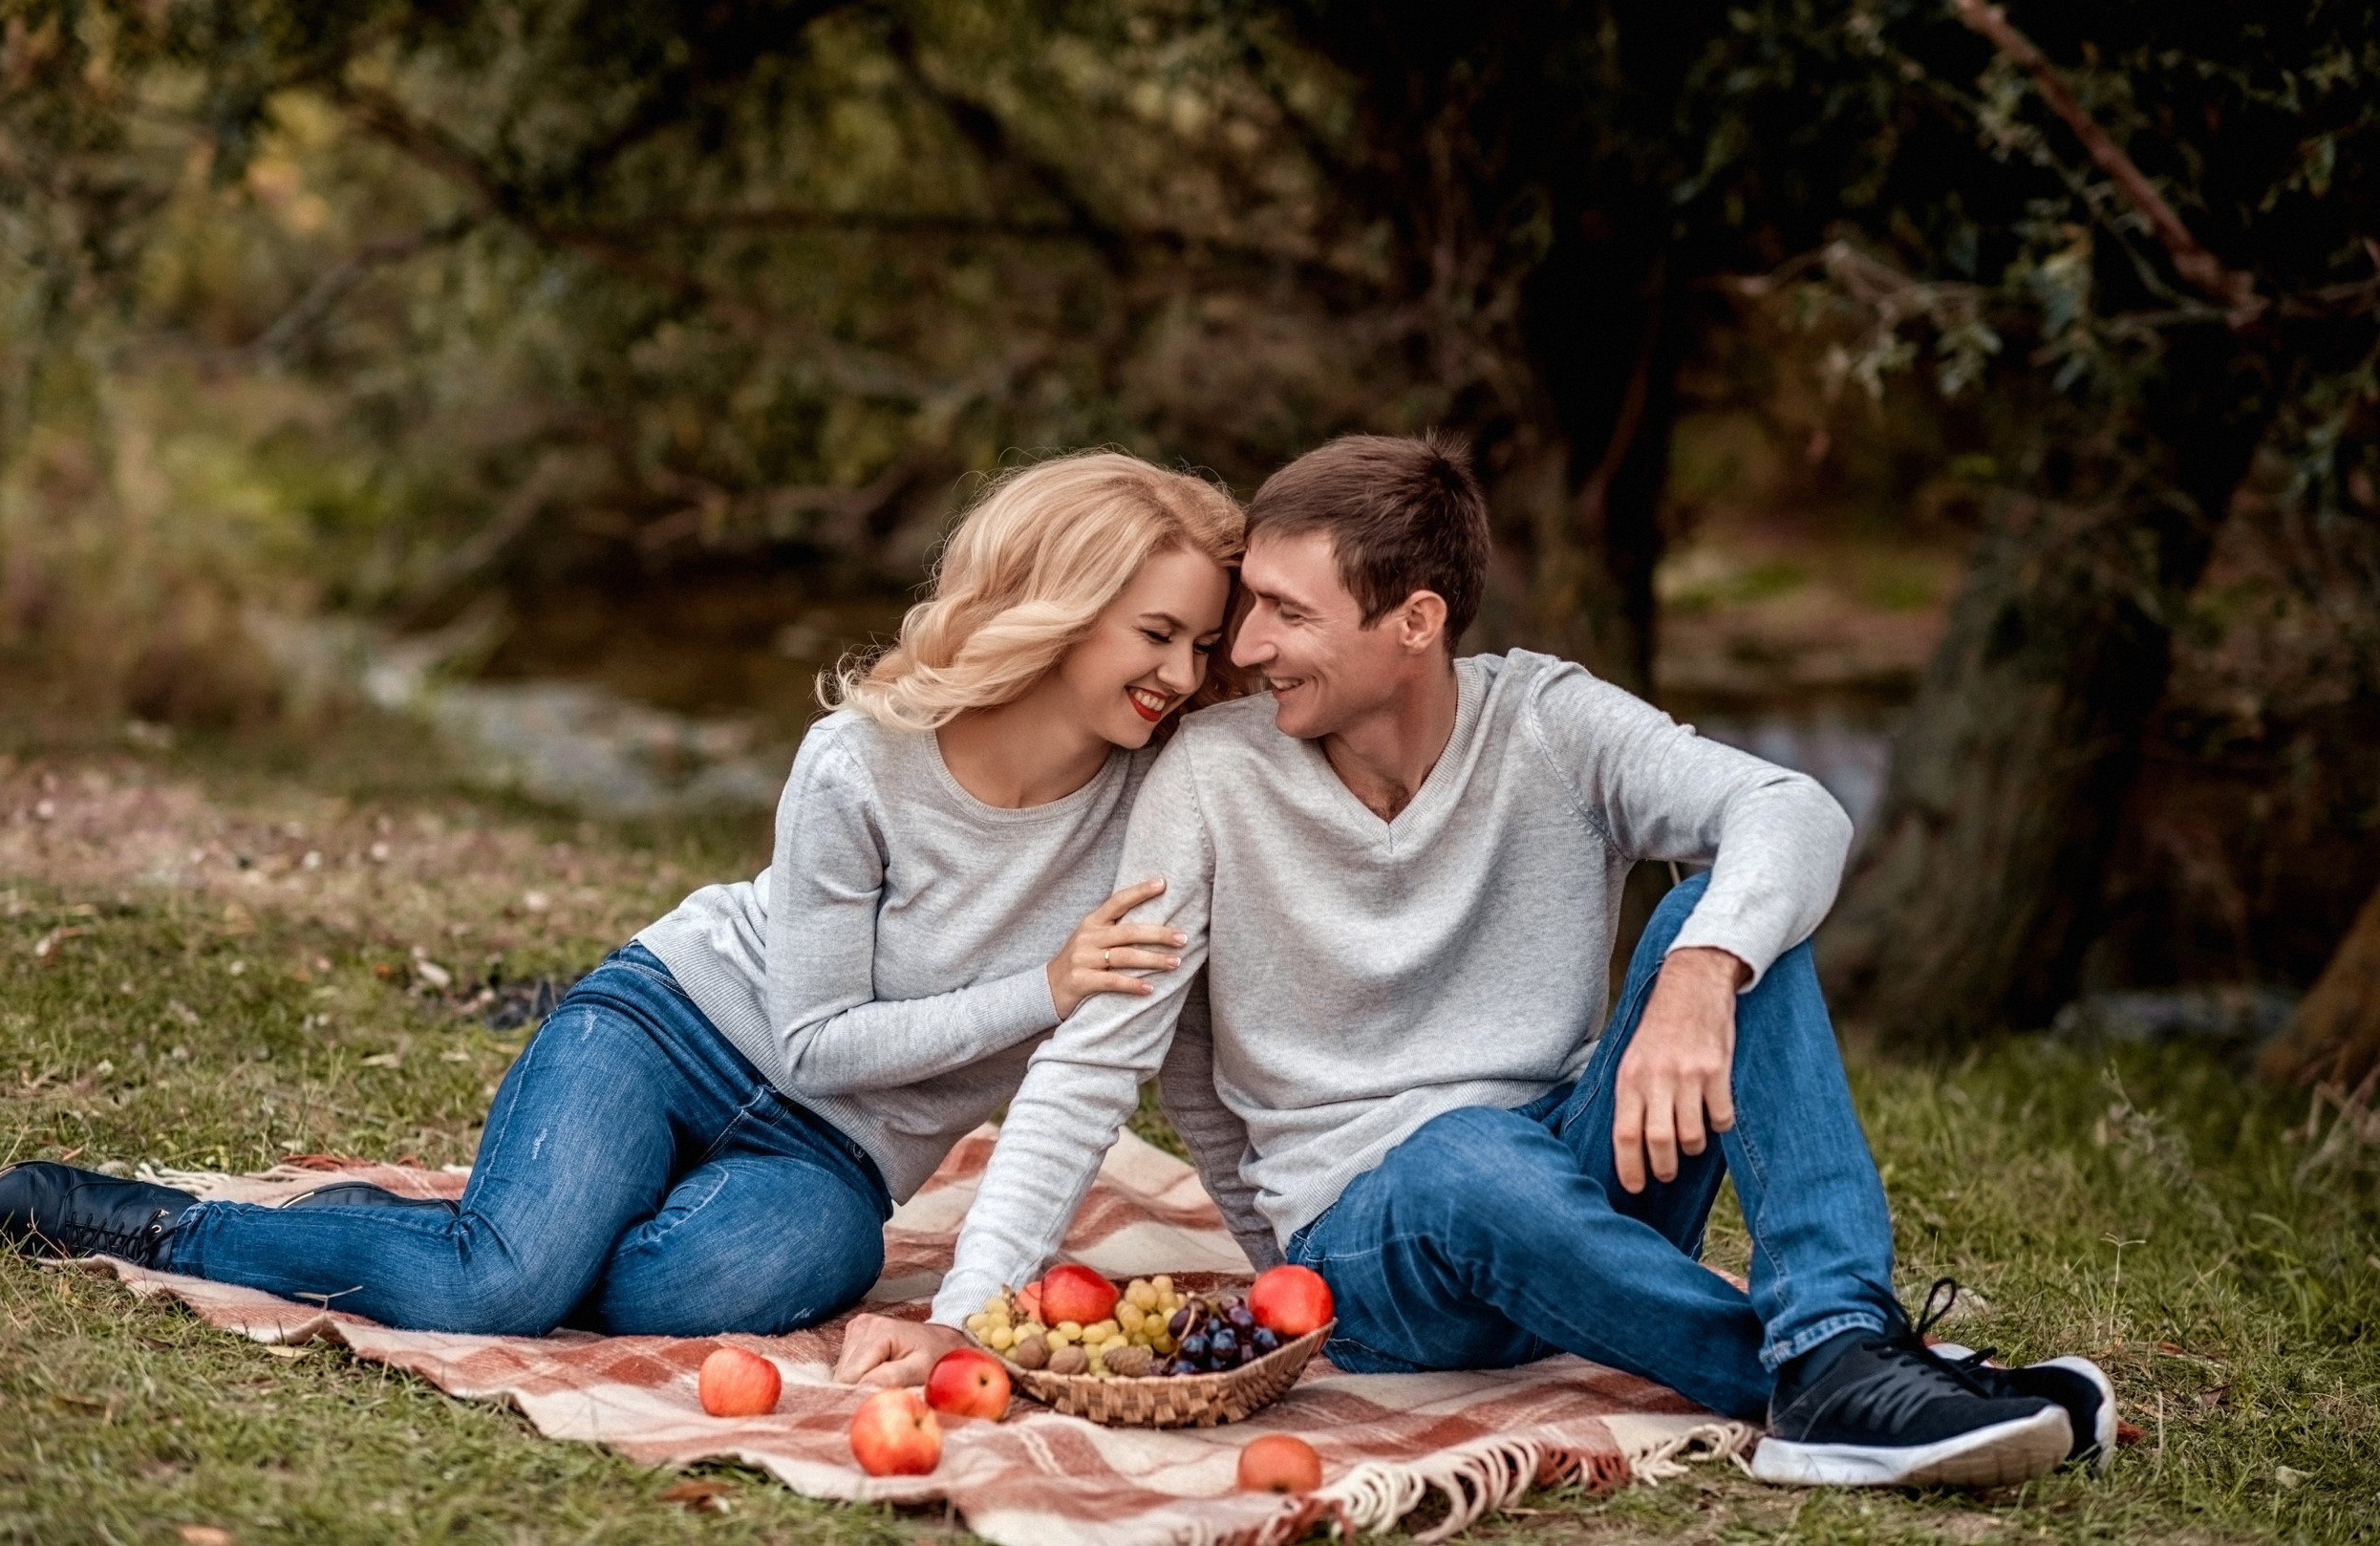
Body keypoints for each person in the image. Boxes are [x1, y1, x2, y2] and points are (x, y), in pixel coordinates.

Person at [839, 432, 2115, 1487]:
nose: (1243, 650)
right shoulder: (1211, 778)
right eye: (1249, 607)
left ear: (1416, 620)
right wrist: (964, 1317)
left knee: (1732, 922)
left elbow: (1793, 809)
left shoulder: (1549, 723)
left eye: (1287, 613)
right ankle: (1826, 1382)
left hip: (1574, 1179)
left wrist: (1700, 970)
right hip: (1369, 1256)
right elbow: (1093, 1066)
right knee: (1461, 1155)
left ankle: (1839, 1341)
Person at [0, 451, 1248, 1341]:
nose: (1184, 676)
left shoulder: (1162, 809)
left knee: (694, 1286)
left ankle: (408, 1239)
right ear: (1058, 607)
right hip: (675, 1028)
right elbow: (813, 1041)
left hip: (837, 1160)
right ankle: (165, 1226)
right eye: (1156, 634)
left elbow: (1178, 1047)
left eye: (1202, 644)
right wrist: (1043, 990)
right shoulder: (863, 761)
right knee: (496, 1295)